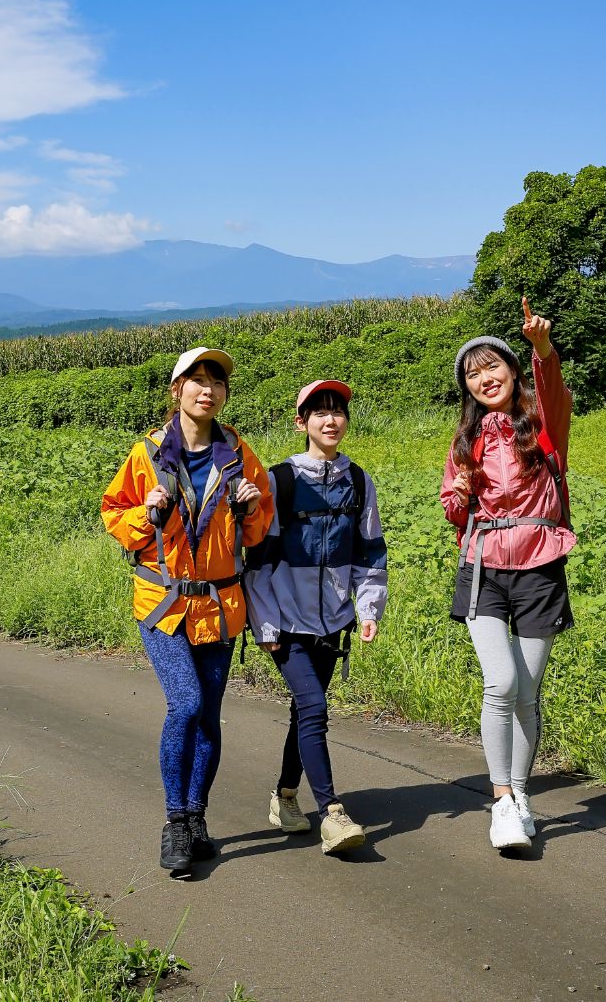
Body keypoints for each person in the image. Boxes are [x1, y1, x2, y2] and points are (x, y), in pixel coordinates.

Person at [100, 346, 273, 878]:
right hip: (163, 602)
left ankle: (197, 818)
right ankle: (175, 821)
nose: (207, 389)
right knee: (187, 702)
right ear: (175, 391)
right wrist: (145, 513)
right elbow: (113, 512)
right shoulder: (147, 453)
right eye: (195, 380)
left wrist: (249, 509)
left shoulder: (238, 455)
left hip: (220, 605)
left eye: (216, 381)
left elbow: (260, 525)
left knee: (209, 715)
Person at [440, 298, 575, 852]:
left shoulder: (544, 424)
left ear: (512, 368)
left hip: (540, 562)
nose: (484, 378)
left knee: (527, 692)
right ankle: (500, 802)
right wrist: (460, 495)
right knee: (501, 683)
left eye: (492, 366)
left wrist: (542, 347)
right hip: (483, 568)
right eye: (473, 374)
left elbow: (555, 393)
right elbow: (452, 504)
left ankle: (520, 796)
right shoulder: (466, 440)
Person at [244, 379, 387, 855]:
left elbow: (370, 552)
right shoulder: (279, 481)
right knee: (316, 710)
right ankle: (332, 813)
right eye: (319, 412)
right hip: (286, 623)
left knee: (304, 712)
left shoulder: (359, 481)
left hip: (334, 624)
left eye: (338, 411)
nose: (331, 420)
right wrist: (264, 625)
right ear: (300, 422)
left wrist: (367, 609)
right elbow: (259, 560)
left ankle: (285, 796)